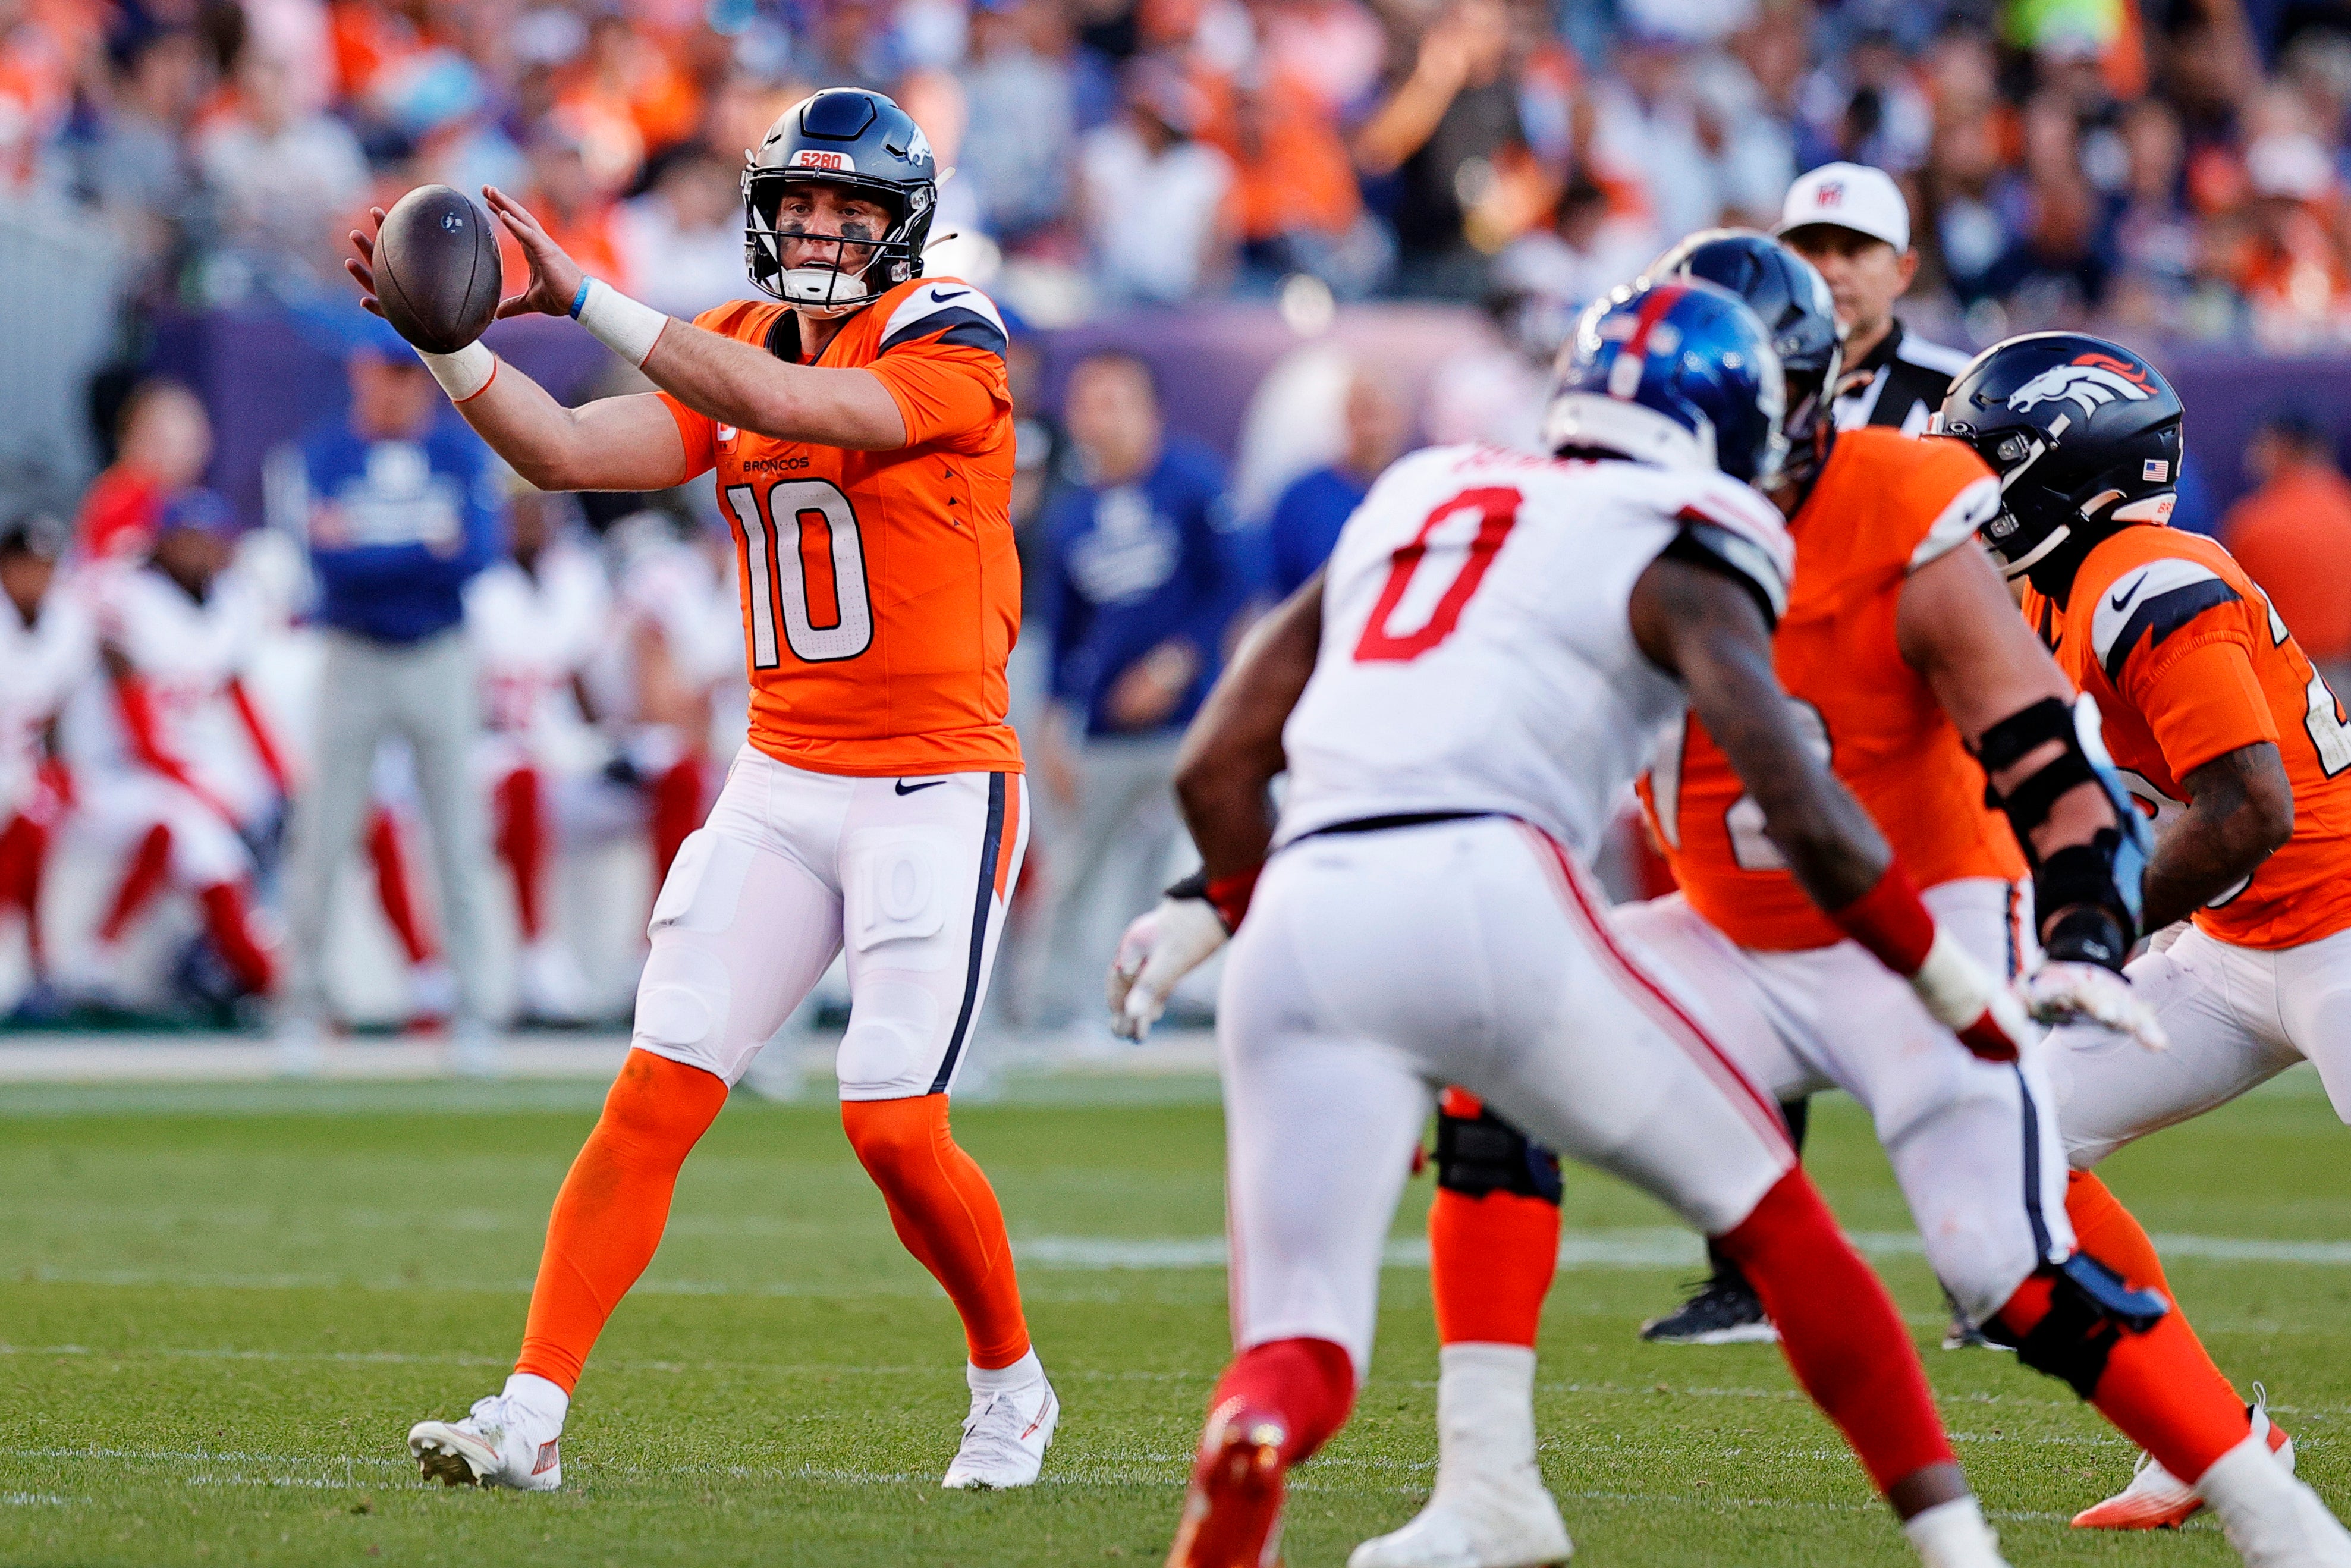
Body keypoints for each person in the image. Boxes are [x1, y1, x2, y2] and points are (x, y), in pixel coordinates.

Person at [1349, 235, 2330, 1568]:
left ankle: (2271, 1517)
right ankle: (1488, 1485)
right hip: (2111, 934)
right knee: (1514, 1079)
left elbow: (2173, 790)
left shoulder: (2052, 552)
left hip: (2214, 922)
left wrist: (2083, 915)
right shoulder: (1630, 513)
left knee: (2008, 1257)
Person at [1115, 279, 2025, 1568]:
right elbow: (1808, 815)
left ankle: (1252, 1438)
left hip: (1306, 913)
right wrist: (1948, 983)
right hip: (1492, 892)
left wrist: (1228, 908)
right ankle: (1958, 1547)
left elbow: (1213, 769)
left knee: (1296, 1349)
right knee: (1778, 1226)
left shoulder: (1422, 491)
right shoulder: (1688, 526)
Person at [357, 86, 1054, 1492]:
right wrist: (447, 344)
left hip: (932, 782)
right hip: (781, 777)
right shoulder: (725, 338)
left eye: (847, 206)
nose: (815, 226)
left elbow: (804, 405)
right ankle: (532, 1410)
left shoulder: (948, 331)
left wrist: (583, 294)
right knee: (653, 1091)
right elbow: (563, 453)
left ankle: (1009, 1382)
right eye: (797, 201)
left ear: (900, 226)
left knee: (892, 1126)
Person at [1947, 334, 2351, 1547]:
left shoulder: (2146, 579)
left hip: (2339, 926)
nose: (1969, 490)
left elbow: (2250, 809)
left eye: (1991, 464)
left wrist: (2093, 925)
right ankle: (2210, 1439)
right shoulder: (2048, 585)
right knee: (2012, 1130)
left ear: (2075, 471)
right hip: (2234, 945)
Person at [268, 313, 504, 1070]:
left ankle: (474, 1009)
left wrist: (378, 551)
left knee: (457, 839)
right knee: (324, 836)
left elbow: (475, 557)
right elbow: (326, 563)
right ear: (359, 375)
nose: (394, 386)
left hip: (438, 651)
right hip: (354, 652)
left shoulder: (458, 451)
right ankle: (303, 1006)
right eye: (382, 370)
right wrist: (416, 552)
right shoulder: (327, 453)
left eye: (407, 372)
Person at [1030, 350, 1252, 1029]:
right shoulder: (1069, 513)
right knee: (1078, 871)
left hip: (1191, 724)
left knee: (1206, 868)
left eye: (1115, 400)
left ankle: (1226, 1001)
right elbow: (1061, 634)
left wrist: (1178, 662)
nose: (1101, 416)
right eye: (1090, 401)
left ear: (1150, 409)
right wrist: (1053, 726)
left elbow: (1237, 583)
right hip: (1104, 729)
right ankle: (1057, 1012)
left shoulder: (1191, 482)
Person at [61, 501, 283, 1010]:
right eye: (187, 537)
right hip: (112, 770)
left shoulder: (228, 601)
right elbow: (139, 732)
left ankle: (204, 963)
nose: (201, 549)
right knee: (206, 843)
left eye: (209, 538)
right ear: (160, 542)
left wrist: (282, 779)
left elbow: (240, 697)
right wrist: (212, 796)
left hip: (183, 769)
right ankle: (267, 983)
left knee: (256, 827)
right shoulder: (126, 597)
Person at [464, 485, 611, 1023]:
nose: (528, 525)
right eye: (517, 514)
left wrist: (609, 741)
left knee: (672, 772)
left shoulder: (576, 580)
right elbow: (472, 703)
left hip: (565, 750)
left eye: (538, 513)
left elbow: (579, 676)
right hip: (491, 753)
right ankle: (536, 954)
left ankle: (653, 955)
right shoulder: (476, 585)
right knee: (522, 776)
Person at [1775, 161, 1971, 435]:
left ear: (1903, 271)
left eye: (1854, 251)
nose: (1831, 271)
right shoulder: (1753, 379)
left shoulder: (1956, 392)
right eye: (1813, 249)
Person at [0, 513, 92, 1004]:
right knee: (29, 806)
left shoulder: (67, 622)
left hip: (20, 760)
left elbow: (55, 710)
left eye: (46, 567)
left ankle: (39, 962)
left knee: (43, 807)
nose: (37, 578)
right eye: (26, 566)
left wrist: (61, 768)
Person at [2220, 410, 2351, 695]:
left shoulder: (2254, 521)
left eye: (2261, 445)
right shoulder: (2345, 508)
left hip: (2287, 678)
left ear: (2282, 446)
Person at [1266, 369, 1410, 599]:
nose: (1372, 429)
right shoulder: (1301, 500)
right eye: (1364, 412)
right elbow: (1277, 590)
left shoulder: (1423, 490)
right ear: (1345, 414)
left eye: (1379, 412)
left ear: (1401, 417)